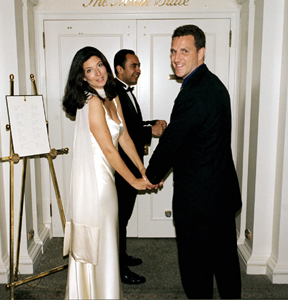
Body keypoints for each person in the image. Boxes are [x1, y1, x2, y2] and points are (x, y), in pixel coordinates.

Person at [145, 25, 242, 299]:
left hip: (200, 202)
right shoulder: (214, 84)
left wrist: (150, 175)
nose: (177, 57)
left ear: (201, 53)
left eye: (184, 51)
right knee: (225, 264)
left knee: (196, 271)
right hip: (221, 193)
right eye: (174, 51)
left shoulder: (194, 92)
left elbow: (173, 141)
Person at [62, 46, 154, 299]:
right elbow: (108, 150)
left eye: (99, 65)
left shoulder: (111, 97)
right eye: (89, 70)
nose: (98, 73)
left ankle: (106, 291)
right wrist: (134, 180)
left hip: (107, 179)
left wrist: (141, 167)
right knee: (101, 237)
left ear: (106, 65)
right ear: (83, 78)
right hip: (96, 182)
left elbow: (123, 137)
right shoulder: (91, 103)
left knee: (109, 236)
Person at [113, 49, 167, 284]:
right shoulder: (113, 93)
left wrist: (150, 123)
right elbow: (119, 131)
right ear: (119, 70)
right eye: (133, 66)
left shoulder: (125, 92)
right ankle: (118, 268)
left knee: (122, 218)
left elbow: (131, 124)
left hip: (132, 166)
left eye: (139, 65)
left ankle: (120, 255)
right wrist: (149, 131)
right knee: (119, 218)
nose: (138, 70)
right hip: (121, 168)